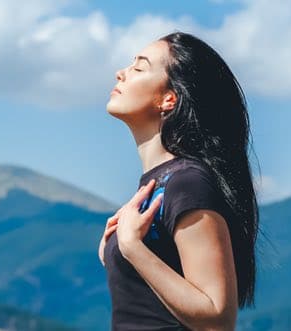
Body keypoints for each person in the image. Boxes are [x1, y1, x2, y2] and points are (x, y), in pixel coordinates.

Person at [98, 31, 259, 330]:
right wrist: (116, 254)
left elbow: (218, 318)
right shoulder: (161, 183)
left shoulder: (187, 183)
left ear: (169, 99)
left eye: (139, 67)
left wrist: (132, 247)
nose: (121, 73)